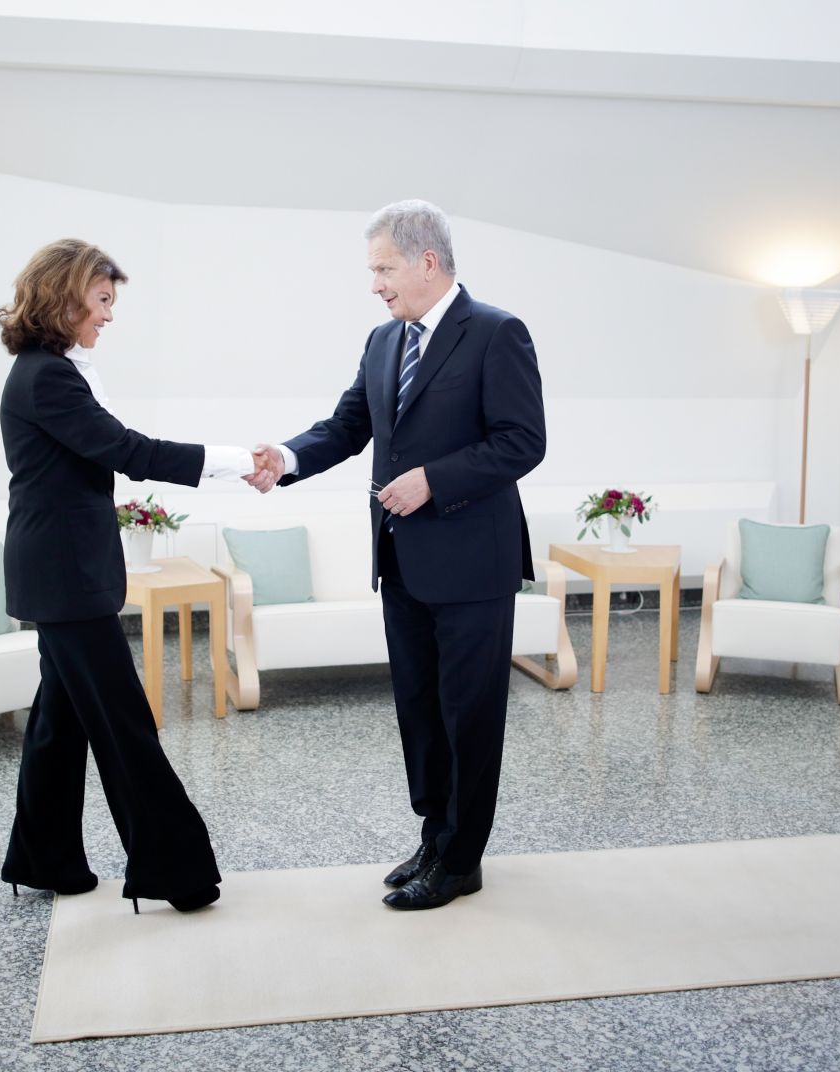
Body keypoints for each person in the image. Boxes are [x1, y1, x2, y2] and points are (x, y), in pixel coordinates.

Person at [249, 200, 547, 910]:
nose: (375, 283)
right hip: (403, 560)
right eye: (373, 270)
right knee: (419, 708)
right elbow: (350, 424)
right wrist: (284, 458)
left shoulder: (497, 333)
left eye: (383, 268)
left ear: (427, 262)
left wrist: (433, 482)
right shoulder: (385, 341)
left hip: (474, 562)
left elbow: (521, 442)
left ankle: (462, 859)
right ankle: (435, 833)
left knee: (468, 712)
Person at [0, 238, 254, 915]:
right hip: (64, 577)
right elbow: (126, 449)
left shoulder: (46, 370)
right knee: (123, 722)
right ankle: (177, 873)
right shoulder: (47, 376)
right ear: (66, 297)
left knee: (61, 720)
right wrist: (231, 459)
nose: (108, 316)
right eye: (102, 301)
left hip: (58, 572)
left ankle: (43, 857)